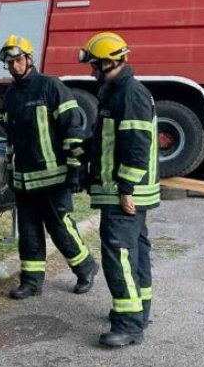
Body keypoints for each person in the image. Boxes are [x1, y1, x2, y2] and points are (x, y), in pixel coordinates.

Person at [0, 34, 98, 300]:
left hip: (54, 178)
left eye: (18, 60)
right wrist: (9, 173)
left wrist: (75, 170)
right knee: (28, 233)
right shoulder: (10, 96)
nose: (14, 66)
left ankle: (86, 268)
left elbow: (73, 129)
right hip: (24, 180)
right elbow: (8, 139)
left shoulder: (50, 87)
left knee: (61, 228)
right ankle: (31, 282)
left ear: (29, 59)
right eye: (9, 63)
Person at [79, 31, 158, 347]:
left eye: (94, 64)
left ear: (109, 62)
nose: (91, 70)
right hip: (126, 190)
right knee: (135, 252)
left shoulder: (129, 94)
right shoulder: (116, 91)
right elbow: (108, 142)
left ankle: (128, 325)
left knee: (120, 255)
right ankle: (139, 311)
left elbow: (136, 145)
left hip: (123, 193)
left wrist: (126, 188)